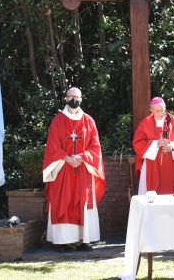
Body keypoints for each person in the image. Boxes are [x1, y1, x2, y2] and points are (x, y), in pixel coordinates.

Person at [42, 87, 106, 251]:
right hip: (63, 168)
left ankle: (84, 240)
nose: (73, 99)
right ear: (66, 99)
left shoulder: (88, 121)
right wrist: (67, 158)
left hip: (83, 168)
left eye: (76, 97)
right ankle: (62, 241)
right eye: (70, 97)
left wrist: (82, 157)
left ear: (81, 99)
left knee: (82, 201)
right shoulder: (58, 120)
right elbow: (52, 145)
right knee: (63, 201)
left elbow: (95, 145)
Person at [132, 97, 174, 195]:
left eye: (162, 110)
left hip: (171, 165)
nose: (160, 113)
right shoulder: (145, 123)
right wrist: (156, 144)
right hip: (152, 165)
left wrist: (172, 147)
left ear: (165, 107)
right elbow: (138, 143)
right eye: (157, 111)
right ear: (151, 110)